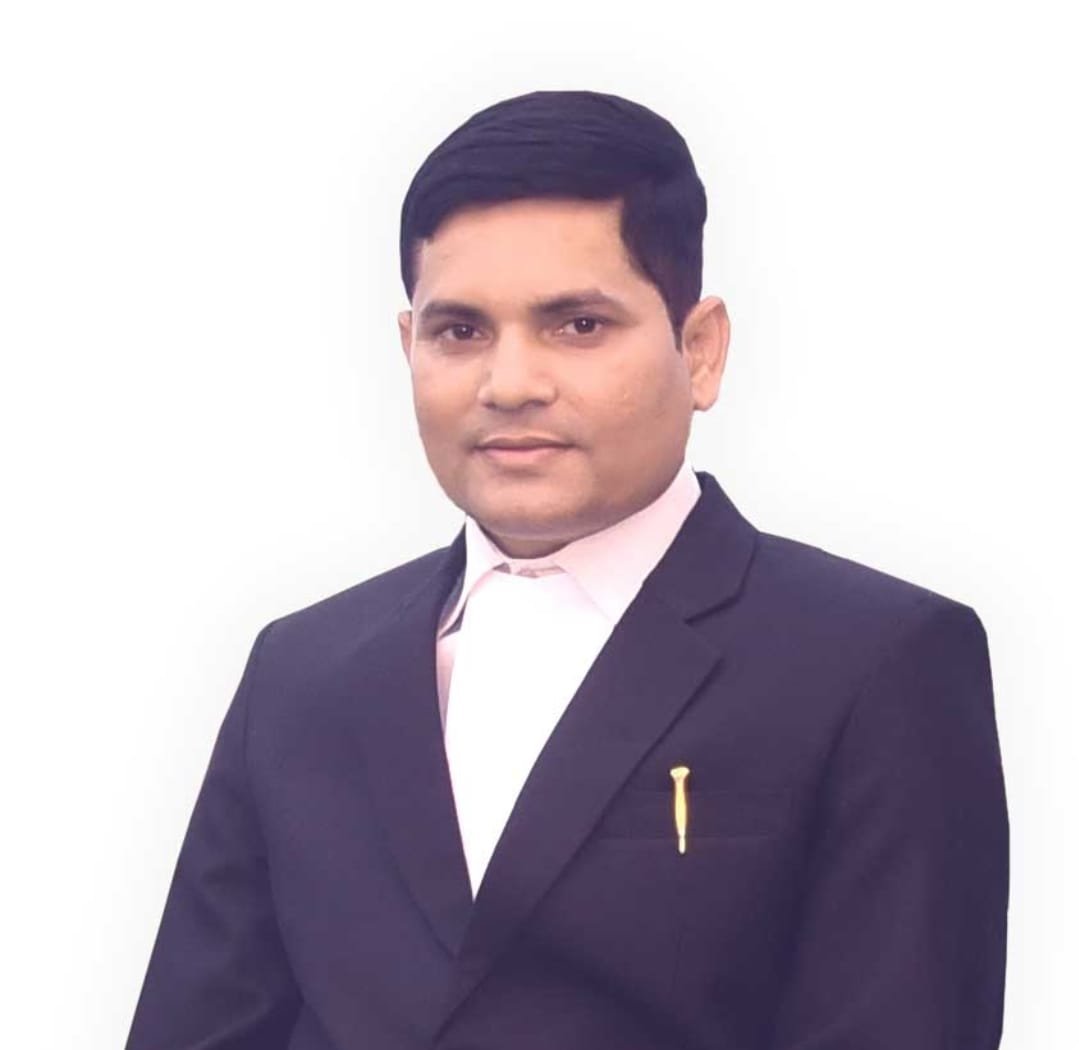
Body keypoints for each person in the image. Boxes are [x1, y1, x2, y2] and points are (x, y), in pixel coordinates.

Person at [125, 89, 1009, 1050]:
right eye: (460, 331)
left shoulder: (871, 661)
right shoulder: (302, 670)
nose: (509, 384)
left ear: (699, 350)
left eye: (578, 325)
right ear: (408, 347)